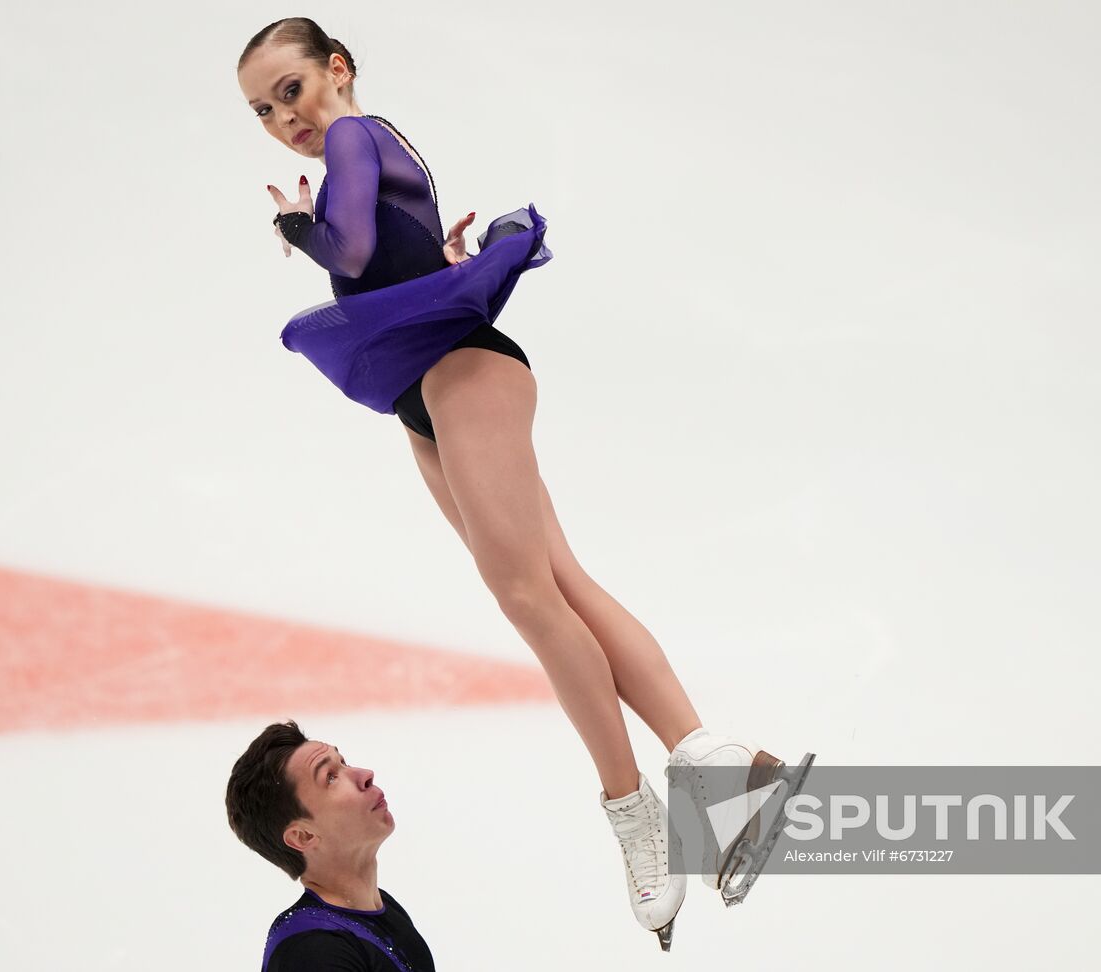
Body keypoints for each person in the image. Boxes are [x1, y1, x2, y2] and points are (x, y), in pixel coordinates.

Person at [236, 17, 813, 950]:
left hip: (462, 374)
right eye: (262, 110)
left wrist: (294, 223)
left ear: (336, 70)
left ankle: (640, 815)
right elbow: (397, 247)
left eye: (290, 91)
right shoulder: (373, 140)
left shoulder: (350, 132)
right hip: (429, 393)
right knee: (559, 588)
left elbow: (347, 250)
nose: (282, 119)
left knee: (527, 598)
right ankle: (720, 775)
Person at [226, 721, 435, 971]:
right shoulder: (313, 952)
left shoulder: (380, 910)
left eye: (343, 762)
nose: (365, 774)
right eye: (331, 777)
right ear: (303, 836)